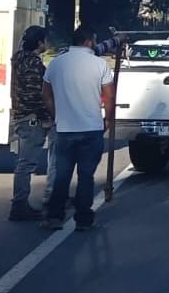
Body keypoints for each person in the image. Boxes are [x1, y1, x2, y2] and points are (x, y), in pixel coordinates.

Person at [41, 24, 115, 232]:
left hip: (65, 128)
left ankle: (54, 216)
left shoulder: (57, 63)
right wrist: (108, 119)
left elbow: (45, 94)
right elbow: (109, 95)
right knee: (85, 176)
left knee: (62, 175)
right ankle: (83, 218)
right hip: (91, 127)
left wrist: (56, 114)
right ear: (89, 41)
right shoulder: (99, 65)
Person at [8, 25, 51, 221]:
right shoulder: (33, 64)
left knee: (23, 163)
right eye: (44, 40)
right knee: (26, 164)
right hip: (31, 117)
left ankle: (20, 203)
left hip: (20, 114)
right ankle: (19, 204)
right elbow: (36, 94)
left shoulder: (18, 59)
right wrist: (45, 117)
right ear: (39, 43)